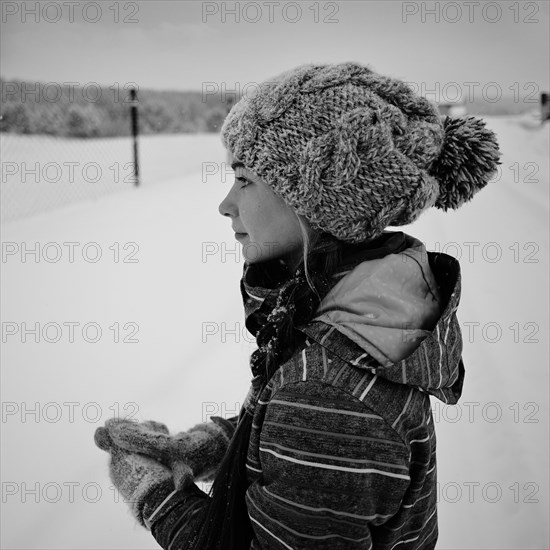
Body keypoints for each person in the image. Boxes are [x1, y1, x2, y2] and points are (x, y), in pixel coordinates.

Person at [94, 61, 501, 549]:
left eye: (244, 179)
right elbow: (295, 437)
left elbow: (313, 421)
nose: (225, 204)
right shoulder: (351, 315)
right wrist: (212, 445)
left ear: (313, 198)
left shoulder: (324, 394)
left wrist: (156, 496)